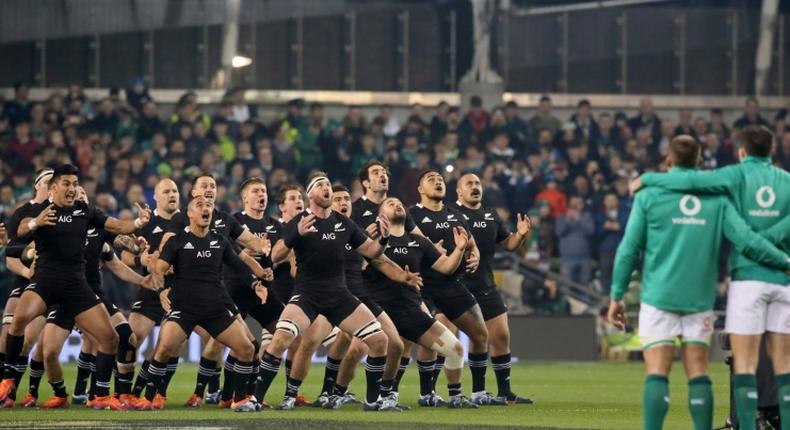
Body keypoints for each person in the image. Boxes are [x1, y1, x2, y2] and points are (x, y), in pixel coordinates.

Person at [608, 136, 790, 430]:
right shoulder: (716, 201)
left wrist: (616, 295)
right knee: (698, 371)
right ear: (700, 163)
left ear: (669, 162)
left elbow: (628, 249)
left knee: (657, 371)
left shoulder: (648, 197)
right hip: (699, 300)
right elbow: (746, 240)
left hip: (658, 296)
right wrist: (783, 261)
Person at [0, 163, 152, 411]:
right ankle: (7, 380)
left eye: (74, 184)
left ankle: (101, 396)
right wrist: (35, 224)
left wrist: (138, 222)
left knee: (110, 338)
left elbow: (116, 226)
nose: (72, 189)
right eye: (67, 184)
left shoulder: (85, 211)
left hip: (76, 284)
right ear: (54, 187)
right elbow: (19, 233)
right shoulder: (42, 211)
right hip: (46, 281)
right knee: (19, 321)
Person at [256, 171, 396, 411]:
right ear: (310, 194)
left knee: (380, 340)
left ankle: (373, 402)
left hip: (339, 295)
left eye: (328, 184)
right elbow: (275, 255)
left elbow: (371, 252)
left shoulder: (344, 223)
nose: (327, 188)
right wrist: (295, 234)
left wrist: (384, 238)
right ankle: (255, 399)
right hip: (307, 294)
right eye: (321, 185)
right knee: (280, 339)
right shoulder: (298, 220)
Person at [32, 186, 154, 409]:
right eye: (75, 193)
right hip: (63, 295)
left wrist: (137, 249)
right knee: (48, 351)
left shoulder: (99, 229)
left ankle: (117, 394)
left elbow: (118, 255)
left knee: (125, 336)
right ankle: (62, 394)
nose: (79, 196)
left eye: (83, 194)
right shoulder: (58, 225)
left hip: (92, 295)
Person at [141, 196, 267, 412]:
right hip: (184, 307)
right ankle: (148, 398)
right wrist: (161, 286)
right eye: (199, 205)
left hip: (215, 308)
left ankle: (239, 400)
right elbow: (160, 268)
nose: (206, 208)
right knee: (163, 349)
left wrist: (256, 283)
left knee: (247, 349)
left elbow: (238, 265)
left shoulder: (220, 240)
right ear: (189, 214)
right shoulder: (177, 240)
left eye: (209, 205)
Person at [408, 169, 489, 408]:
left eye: (440, 179)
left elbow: (472, 245)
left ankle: (478, 392)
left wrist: (474, 256)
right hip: (423, 285)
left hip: (452, 284)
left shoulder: (456, 216)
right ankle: (427, 394)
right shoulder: (412, 215)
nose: (438, 182)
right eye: (431, 180)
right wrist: (429, 248)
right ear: (421, 190)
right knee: (429, 341)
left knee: (480, 334)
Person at [455, 173, 534, 404]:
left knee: (500, 336)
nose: (475, 187)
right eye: (469, 184)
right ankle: (443, 393)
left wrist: (519, 235)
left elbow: (508, 244)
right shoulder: (450, 214)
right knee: (451, 342)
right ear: (459, 191)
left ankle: (504, 392)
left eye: (477, 183)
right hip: (456, 287)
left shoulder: (491, 214)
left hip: (485, 285)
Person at [119, 178, 180, 408]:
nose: (172, 194)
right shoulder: (146, 221)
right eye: (166, 191)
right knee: (131, 338)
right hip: (151, 290)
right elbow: (124, 256)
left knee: (167, 345)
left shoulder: (186, 221)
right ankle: (122, 393)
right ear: (155, 197)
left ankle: (145, 392)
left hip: (178, 292)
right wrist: (140, 258)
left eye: (174, 190)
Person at [0, 168, 52, 406]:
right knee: (6, 338)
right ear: (38, 184)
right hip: (24, 281)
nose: (54, 185)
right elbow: (10, 257)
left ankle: (10, 394)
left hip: (52, 283)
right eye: (49, 180)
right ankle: (3, 387)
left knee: (28, 343)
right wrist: (26, 271)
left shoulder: (63, 212)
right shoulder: (22, 213)